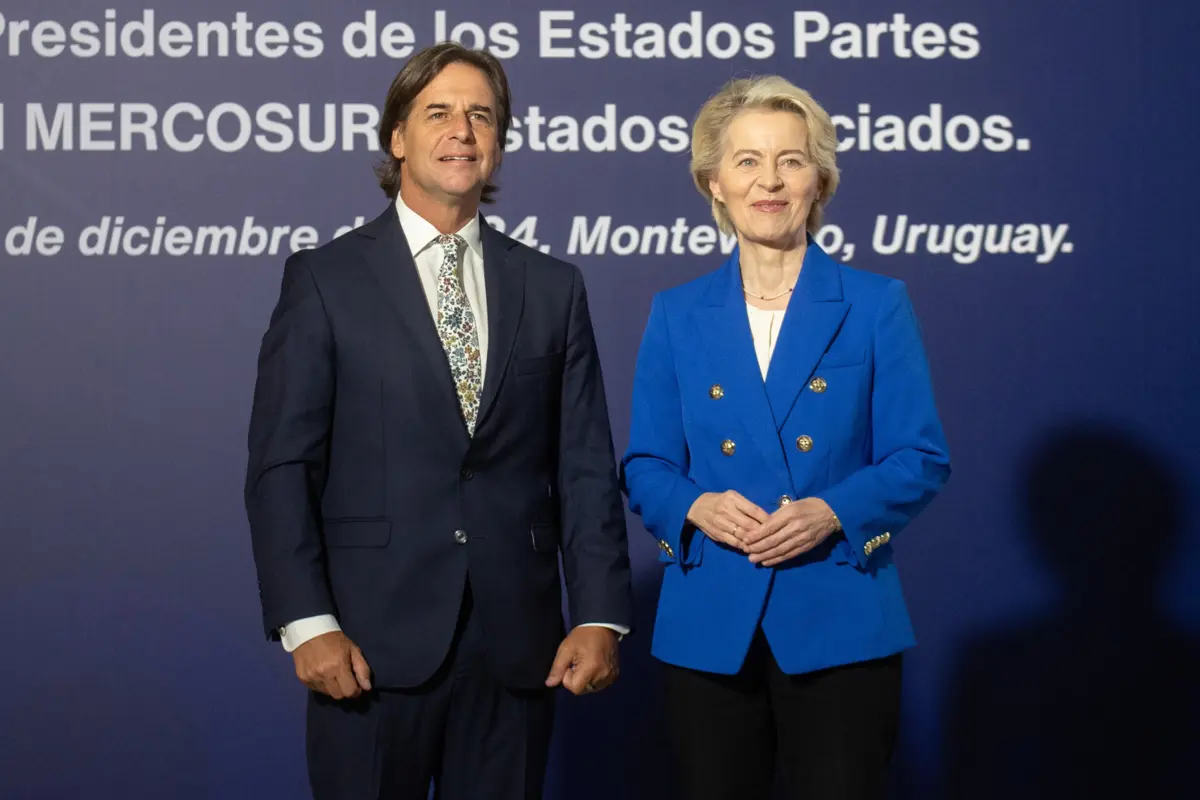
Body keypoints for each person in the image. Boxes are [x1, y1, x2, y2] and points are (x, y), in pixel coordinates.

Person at [244, 42, 633, 800]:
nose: (463, 130)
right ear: (397, 138)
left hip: (515, 650)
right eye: (439, 112)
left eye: (481, 115)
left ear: (498, 143)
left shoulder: (553, 287)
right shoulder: (324, 279)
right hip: (365, 649)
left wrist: (599, 615)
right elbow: (282, 467)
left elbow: (583, 465)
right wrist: (305, 620)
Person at [620, 75, 951, 799]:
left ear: (820, 180)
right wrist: (696, 506)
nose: (769, 180)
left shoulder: (874, 303)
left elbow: (920, 457)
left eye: (791, 160)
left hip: (839, 614)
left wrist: (832, 511)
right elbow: (646, 463)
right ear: (714, 182)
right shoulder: (676, 313)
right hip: (711, 622)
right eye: (746, 161)